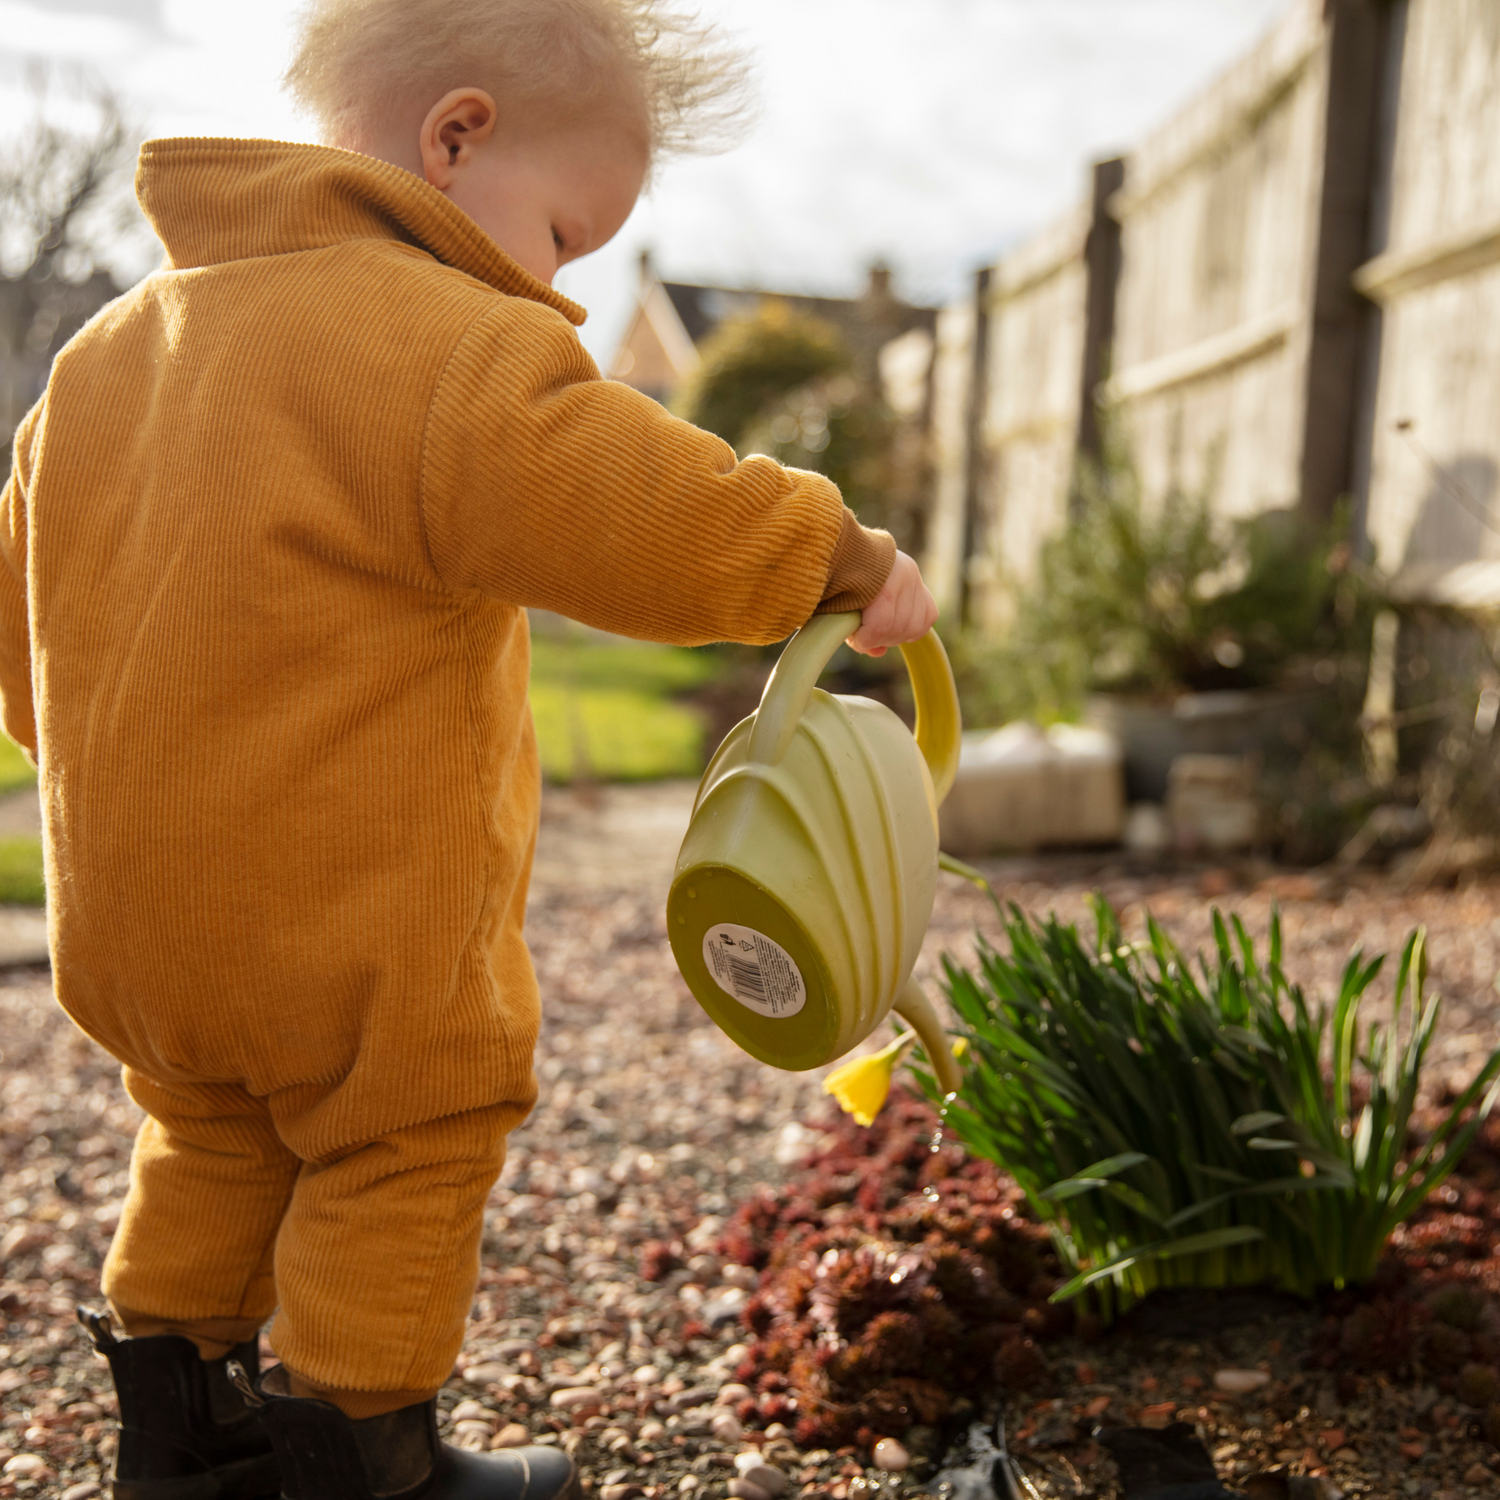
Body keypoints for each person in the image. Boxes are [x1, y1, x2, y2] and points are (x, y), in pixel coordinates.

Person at [0, 2, 938, 1497]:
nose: (559, 283)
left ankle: (181, 1445)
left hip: (134, 917)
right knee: (402, 1127)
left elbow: (31, 632)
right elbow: (627, 499)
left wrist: (107, 780)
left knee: (207, 1131)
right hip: (348, 915)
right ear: (456, 137)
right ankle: (372, 1458)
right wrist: (827, 552)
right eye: (565, 236)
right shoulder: (438, 345)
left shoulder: (104, 360)